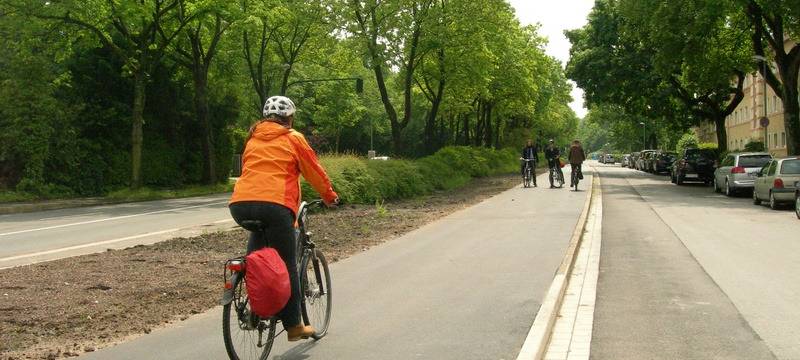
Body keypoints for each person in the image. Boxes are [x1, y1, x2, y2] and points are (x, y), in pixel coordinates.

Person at [228, 95, 339, 342]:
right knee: (287, 262)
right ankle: (294, 326)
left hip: (240, 205)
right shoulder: (293, 138)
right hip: (276, 206)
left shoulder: (253, 137)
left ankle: (254, 307)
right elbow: (313, 171)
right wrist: (329, 196)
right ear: (289, 117)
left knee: (255, 258)